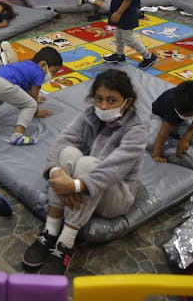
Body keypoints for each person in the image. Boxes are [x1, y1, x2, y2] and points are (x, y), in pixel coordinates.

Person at [22, 69, 146, 275]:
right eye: (99, 99)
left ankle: (66, 243)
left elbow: (114, 167)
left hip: (115, 197)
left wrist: (75, 185)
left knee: (89, 164)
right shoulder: (90, 115)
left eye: (111, 100)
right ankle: (51, 230)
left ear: (127, 102)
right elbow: (63, 141)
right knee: (68, 152)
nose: (103, 106)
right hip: (80, 187)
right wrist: (56, 173)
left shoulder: (136, 130)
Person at [0, 47, 62, 146]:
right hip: (3, 84)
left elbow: (24, 89)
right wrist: (36, 110)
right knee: (31, 105)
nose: (53, 76)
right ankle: (18, 135)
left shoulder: (26, 64)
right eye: (53, 72)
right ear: (43, 64)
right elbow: (35, 91)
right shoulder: (39, 72)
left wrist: (32, 96)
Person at [149, 81, 193, 163]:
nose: (185, 115)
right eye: (182, 114)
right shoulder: (171, 105)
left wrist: (185, 138)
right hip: (159, 116)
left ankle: (173, 131)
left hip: (178, 120)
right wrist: (156, 154)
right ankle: (145, 130)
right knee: (151, 143)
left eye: (189, 115)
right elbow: (163, 133)